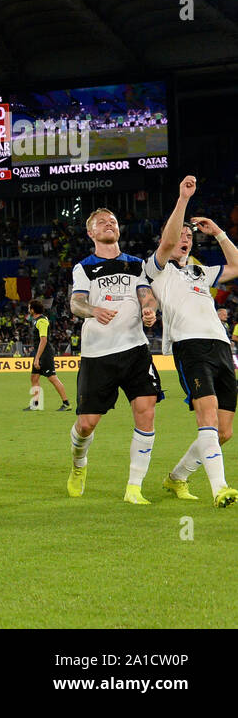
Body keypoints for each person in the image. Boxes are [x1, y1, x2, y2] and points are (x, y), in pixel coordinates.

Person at [148, 177, 238, 507]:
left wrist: (218, 234)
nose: (184, 239)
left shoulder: (199, 271)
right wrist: (184, 199)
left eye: (189, 236)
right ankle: (220, 489)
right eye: (180, 235)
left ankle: (177, 478)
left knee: (224, 432)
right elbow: (170, 237)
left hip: (220, 347)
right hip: (190, 346)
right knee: (208, 418)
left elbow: (236, 265)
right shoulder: (157, 269)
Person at [65, 206, 163, 503]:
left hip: (135, 350)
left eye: (113, 221)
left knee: (146, 412)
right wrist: (94, 310)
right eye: (102, 222)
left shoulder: (137, 264)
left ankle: (134, 487)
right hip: (98, 355)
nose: (109, 224)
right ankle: (79, 464)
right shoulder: (85, 267)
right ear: (90, 233)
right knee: (86, 424)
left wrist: (150, 310)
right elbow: (76, 303)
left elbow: (148, 295)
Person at [23, 300, 71, 411]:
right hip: (40, 354)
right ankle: (35, 404)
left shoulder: (42, 321)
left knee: (52, 378)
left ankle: (66, 403)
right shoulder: (37, 321)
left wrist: (37, 357)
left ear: (33, 310)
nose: (28, 310)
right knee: (34, 378)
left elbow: (43, 340)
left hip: (45, 354)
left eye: (29, 307)